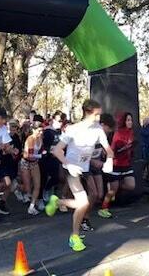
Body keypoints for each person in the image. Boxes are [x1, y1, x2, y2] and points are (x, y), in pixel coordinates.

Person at [45, 99, 115, 252]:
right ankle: (74, 237)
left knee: (94, 196)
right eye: (97, 115)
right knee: (82, 202)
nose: (99, 119)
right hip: (72, 169)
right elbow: (56, 150)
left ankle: (58, 202)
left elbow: (109, 150)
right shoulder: (73, 129)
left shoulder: (98, 129)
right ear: (88, 113)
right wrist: (67, 164)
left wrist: (109, 160)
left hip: (85, 168)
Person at [98, 112, 135, 218]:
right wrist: (120, 149)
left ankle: (116, 190)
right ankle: (104, 208)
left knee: (131, 185)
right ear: (124, 121)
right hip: (116, 164)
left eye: (131, 120)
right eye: (128, 120)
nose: (130, 122)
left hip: (126, 164)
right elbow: (113, 149)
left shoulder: (131, 132)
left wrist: (130, 149)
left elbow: (130, 145)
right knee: (112, 190)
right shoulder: (117, 133)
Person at [83, 113, 115, 230]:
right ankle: (84, 219)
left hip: (96, 166)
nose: (108, 132)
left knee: (100, 194)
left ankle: (82, 210)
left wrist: (106, 154)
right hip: (85, 166)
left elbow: (106, 150)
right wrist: (93, 161)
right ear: (101, 125)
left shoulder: (102, 137)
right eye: (107, 129)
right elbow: (82, 155)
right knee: (94, 193)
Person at [0, 119, 22, 215]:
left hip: (12, 164)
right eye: (11, 126)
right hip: (2, 164)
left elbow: (17, 152)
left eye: (15, 126)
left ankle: (2, 204)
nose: (13, 128)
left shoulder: (16, 138)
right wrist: (4, 152)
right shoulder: (2, 137)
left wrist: (15, 153)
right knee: (7, 183)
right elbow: (0, 150)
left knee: (9, 185)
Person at [20, 120, 44, 215]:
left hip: (34, 163)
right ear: (33, 130)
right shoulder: (30, 139)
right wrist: (40, 156)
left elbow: (39, 151)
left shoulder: (41, 138)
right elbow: (28, 155)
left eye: (42, 131)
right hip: (26, 163)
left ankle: (32, 206)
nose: (40, 133)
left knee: (37, 185)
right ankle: (17, 187)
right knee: (27, 188)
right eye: (39, 131)